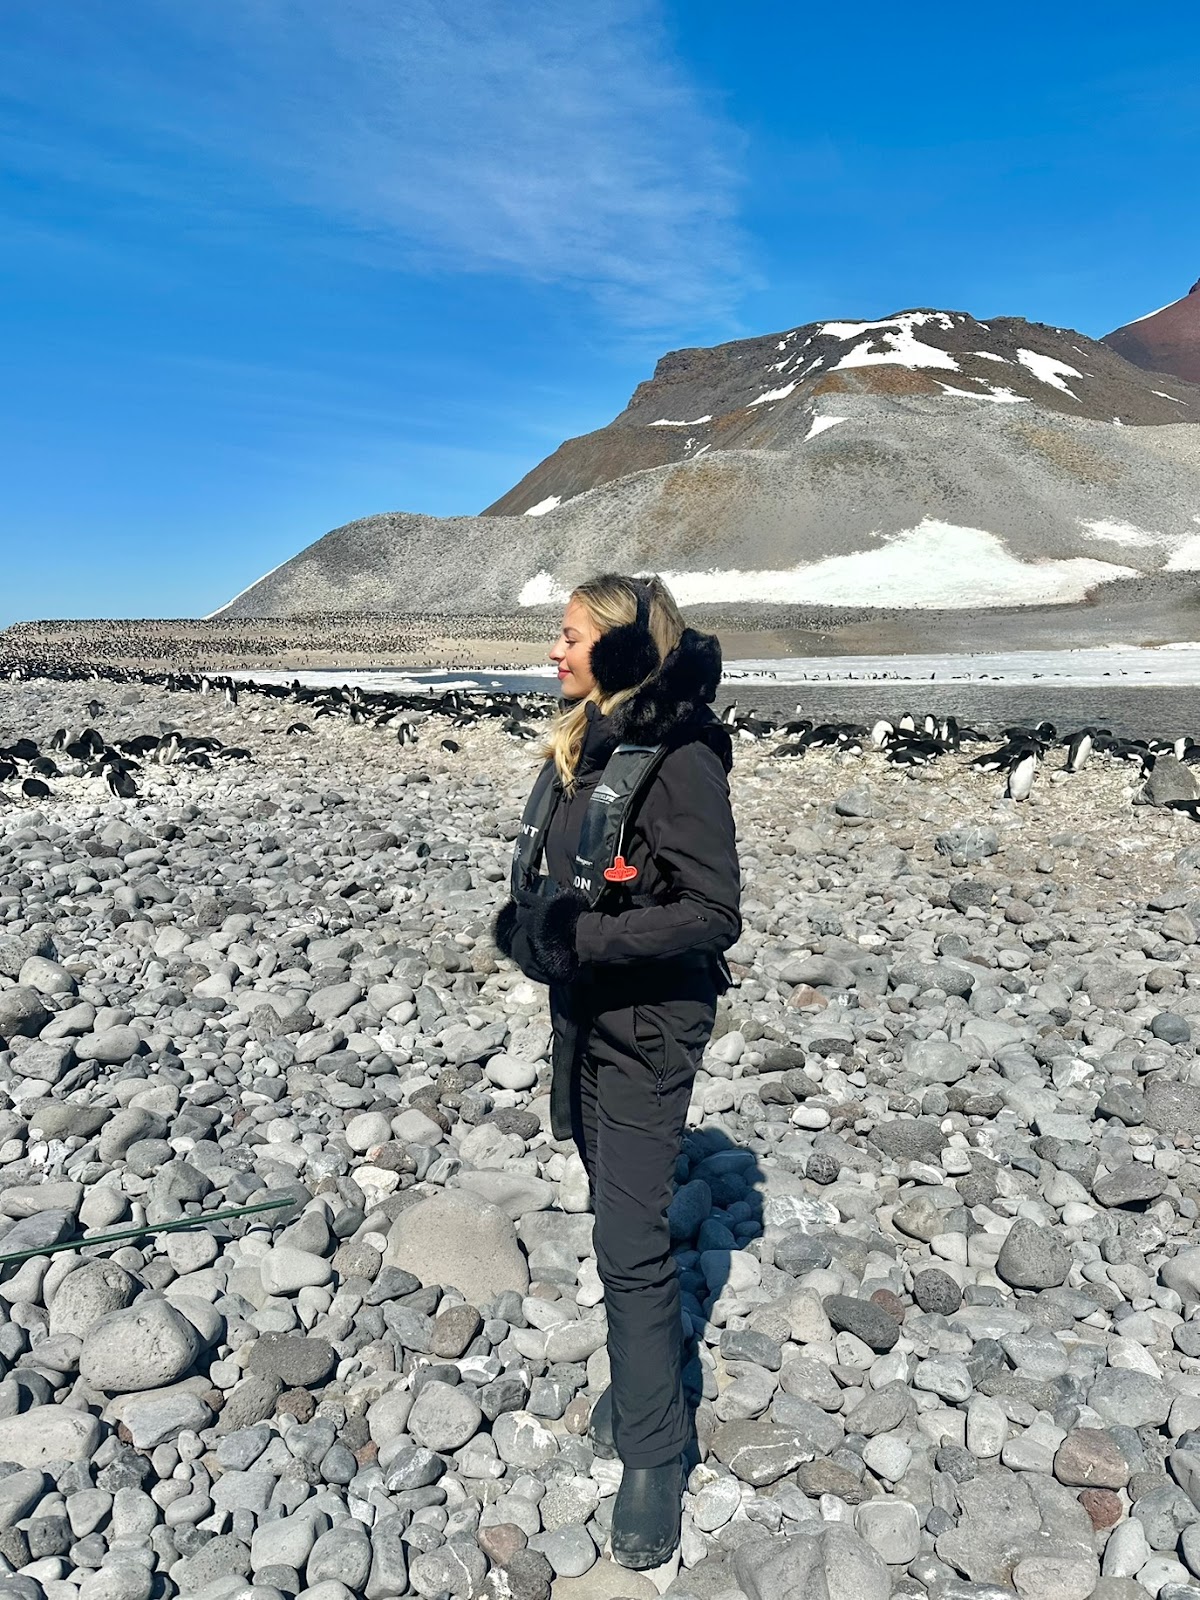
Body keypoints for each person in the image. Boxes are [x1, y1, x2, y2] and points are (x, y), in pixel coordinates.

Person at [492, 572, 741, 1569]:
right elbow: (570, 882)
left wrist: (582, 936)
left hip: (647, 1023)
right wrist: (539, 928)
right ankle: (645, 1379)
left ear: (626, 653)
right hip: (588, 1013)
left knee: (629, 1241)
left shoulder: (677, 758)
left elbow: (713, 912)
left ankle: (656, 1451)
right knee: (615, 1205)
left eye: (568, 637)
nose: (553, 653)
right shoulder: (586, 746)